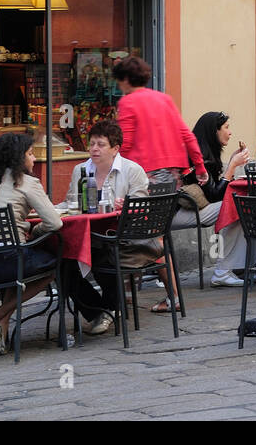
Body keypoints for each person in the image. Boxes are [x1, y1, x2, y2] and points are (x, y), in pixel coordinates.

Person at [0, 134, 68, 355]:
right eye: (30, 154)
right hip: (11, 262)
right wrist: (34, 230)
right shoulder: (27, 182)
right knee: (54, 266)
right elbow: (55, 223)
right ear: (17, 159)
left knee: (16, 257)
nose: (34, 159)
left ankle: (0, 331)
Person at [70, 120, 178, 324]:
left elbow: (142, 209)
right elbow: (71, 202)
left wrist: (127, 207)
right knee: (66, 260)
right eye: (91, 143)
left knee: (103, 254)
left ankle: (110, 309)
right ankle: (103, 309)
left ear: (115, 148)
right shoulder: (81, 171)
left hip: (126, 239)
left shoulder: (131, 170)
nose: (94, 149)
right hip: (90, 234)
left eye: (100, 144)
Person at [113, 56, 208, 187]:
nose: (119, 84)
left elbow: (125, 142)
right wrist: (199, 165)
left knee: (140, 207)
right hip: (173, 171)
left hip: (143, 170)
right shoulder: (165, 99)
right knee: (167, 206)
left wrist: (116, 167)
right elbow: (186, 135)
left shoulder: (127, 102)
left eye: (119, 80)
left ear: (126, 79)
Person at [184, 111, 252, 287]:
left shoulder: (205, 152)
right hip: (184, 211)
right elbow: (214, 195)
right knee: (237, 206)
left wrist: (231, 163)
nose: (230, 133)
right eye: (226, 128)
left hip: (197, 208)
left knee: (240, 205)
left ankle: (235, 266)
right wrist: (232, 166)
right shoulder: (199, 157)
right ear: (214, 131)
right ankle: (223, 271)